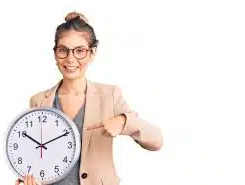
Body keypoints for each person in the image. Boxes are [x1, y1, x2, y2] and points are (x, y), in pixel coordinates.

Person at [15, 11, 163, 185]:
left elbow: (156, 141)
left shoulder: (110, 96)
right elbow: (36, 156)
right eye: (63, 50)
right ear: (55, 54)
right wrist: (27, 178)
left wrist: (123, 122)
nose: (70, 59)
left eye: (79, 51)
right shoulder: (38, 101)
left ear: (92, 53)